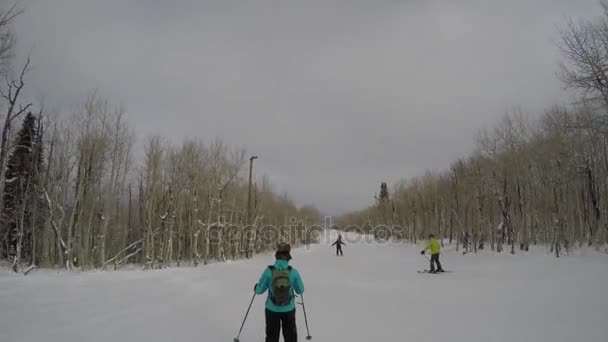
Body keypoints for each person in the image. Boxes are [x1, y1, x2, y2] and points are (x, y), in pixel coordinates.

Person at [254, 243, 305, 342]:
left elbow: (259, 291)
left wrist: (256, 287)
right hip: (289, 309)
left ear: (276, 255)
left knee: (272, 337)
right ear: (288, 256)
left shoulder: (268, 271)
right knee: (290, 336)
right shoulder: (293, 272)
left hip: (271, 309)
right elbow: (300, 290)